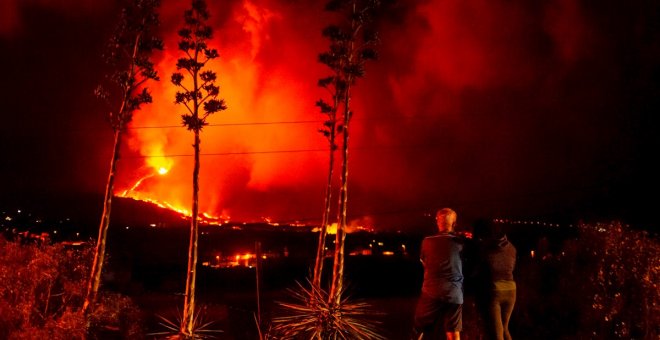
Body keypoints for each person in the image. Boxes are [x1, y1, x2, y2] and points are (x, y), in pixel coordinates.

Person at [413, 208, 465, 340]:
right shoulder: (461, 243)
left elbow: (424, 264)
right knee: (453, 333)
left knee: (419, 329)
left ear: (437, 222)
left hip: (431, 292)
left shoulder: (427, 241)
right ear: (454, 224)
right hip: (454, 293)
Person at [472, 219, 517, 340]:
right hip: (511, 289)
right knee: (505, 328)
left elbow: (477, 270)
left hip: (495, 291)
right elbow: (512, 267)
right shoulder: (512, 248)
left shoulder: (486, 249)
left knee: (497, 333)